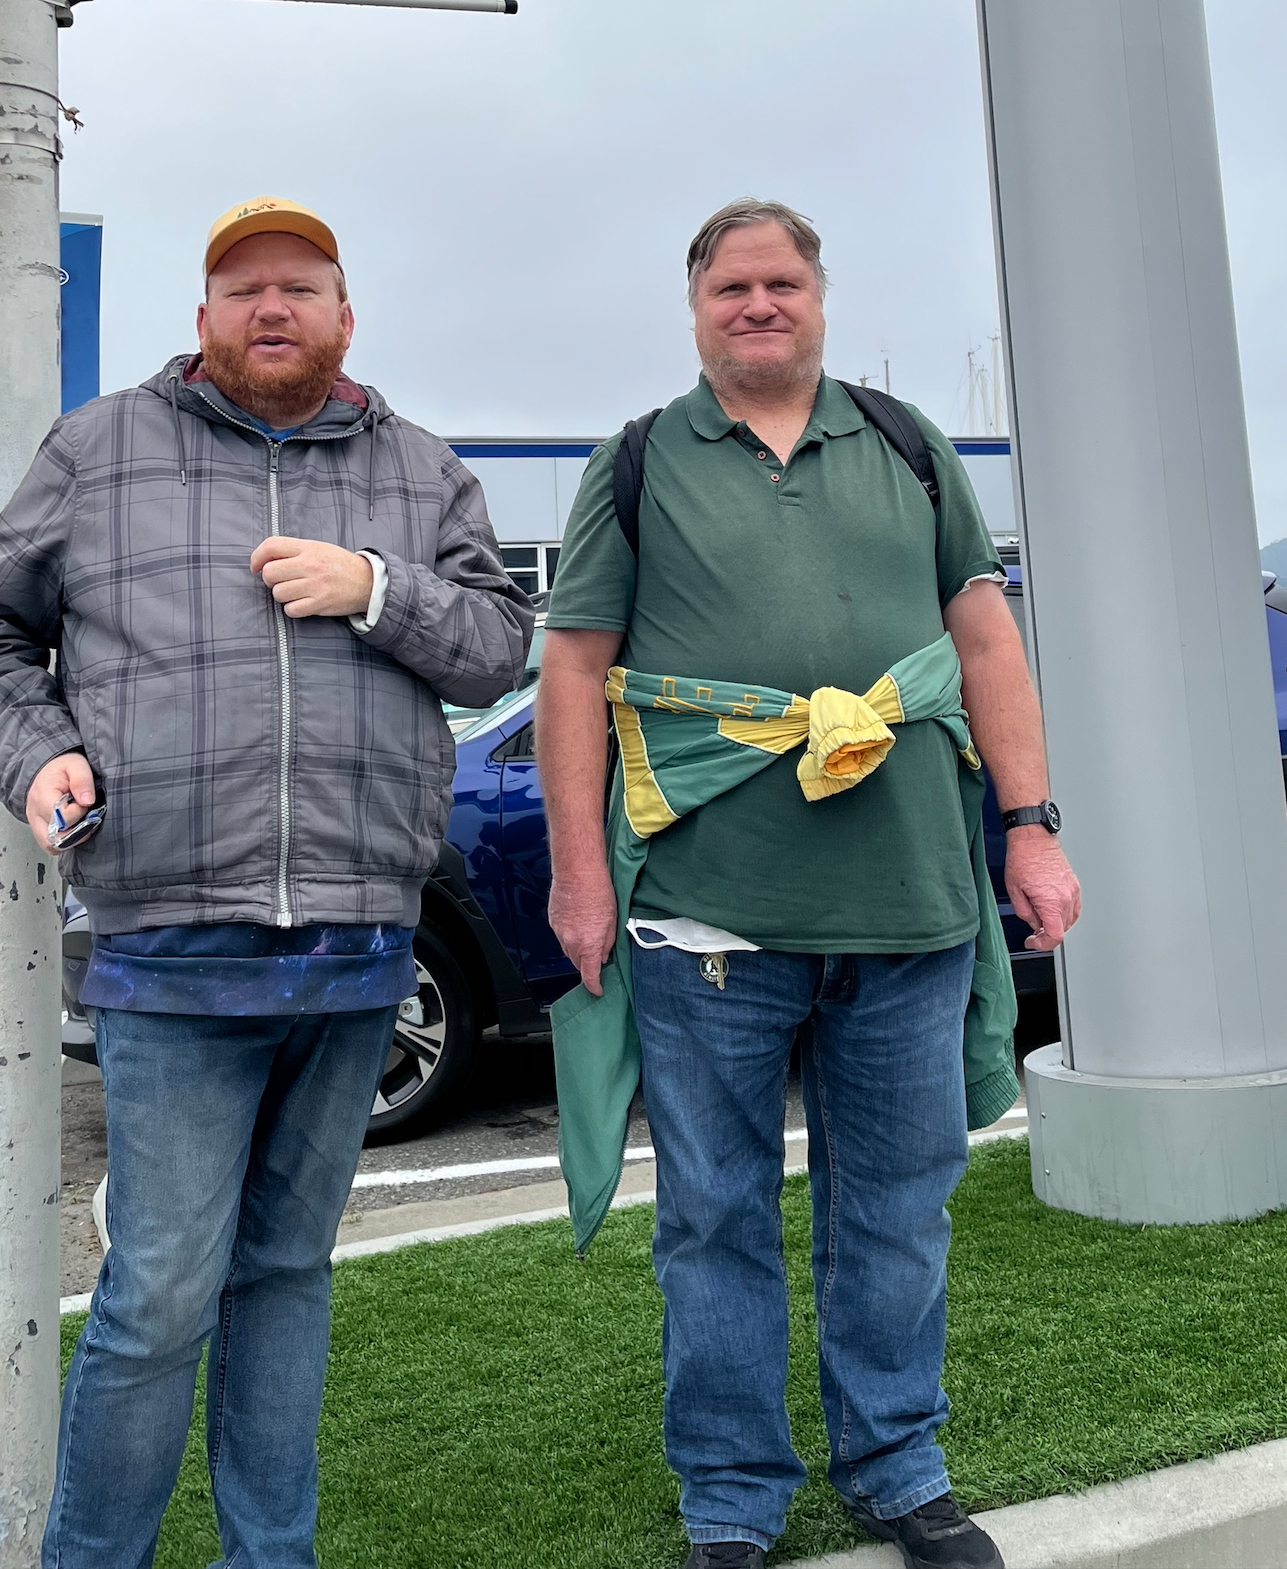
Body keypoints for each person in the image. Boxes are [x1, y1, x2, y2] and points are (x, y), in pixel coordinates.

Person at [0, 195, 532, 1569]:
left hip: (358, 944)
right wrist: (39, 754)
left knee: (286, 1274)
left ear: (344, 317)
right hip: (169, 945)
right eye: (245, 287)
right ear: (202, 317)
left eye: (301, 287)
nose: (274, 308)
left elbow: (498, 645)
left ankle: (272, 1557)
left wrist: (375, 587)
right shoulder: (101, 450)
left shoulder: (423, 472)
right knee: (157, 1294)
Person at [537, 198, 1080, 1569]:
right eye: (732, 287)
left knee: (896, 1212)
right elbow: (575, 669)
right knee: (714, 1220)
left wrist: (1032, 826)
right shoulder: (639, 462)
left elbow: (986, 641)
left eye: (781, 282)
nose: (759, 304)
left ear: (820, 299)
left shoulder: (908, 445)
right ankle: (731, 1497)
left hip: (909, 904)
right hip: (705, 920)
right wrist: (578, 875)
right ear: (697, 310)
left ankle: (899, 1470)